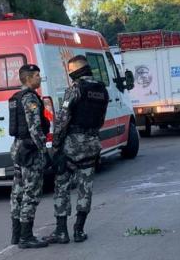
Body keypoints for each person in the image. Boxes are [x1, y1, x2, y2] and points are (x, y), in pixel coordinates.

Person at [45, 55, 109, 244]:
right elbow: (101, 119)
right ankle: (79, 230)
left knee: (62, 185)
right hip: (92, 142)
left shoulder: (75, 89)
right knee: (85, 187)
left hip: (72, 144)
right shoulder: (101, 90)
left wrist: (56, 146)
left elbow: (63, 119)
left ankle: (61, 231)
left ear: (75, 72)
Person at [9, 64, 50, 249]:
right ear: (28, 78)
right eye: (37, 75)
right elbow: (35, 128)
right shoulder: (30, 98)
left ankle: (16, 235)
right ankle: (26, 237)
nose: (40, 78)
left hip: (18, 148)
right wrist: (44, 151)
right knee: (31, 193)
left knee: (17, 192)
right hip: (30, 150)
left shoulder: (15, 97)